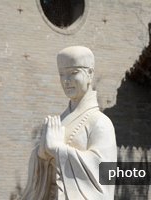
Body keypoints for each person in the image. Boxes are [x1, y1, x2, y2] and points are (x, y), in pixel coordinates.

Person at [21, 46, 117, 200]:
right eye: (62, 74)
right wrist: (41, 154)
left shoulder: (100, 123)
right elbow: (44, 168)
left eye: (73, 73)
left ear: (90, 74)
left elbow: (102, 177)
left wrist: (57, 149)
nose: (66, 81)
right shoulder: (58, 121)